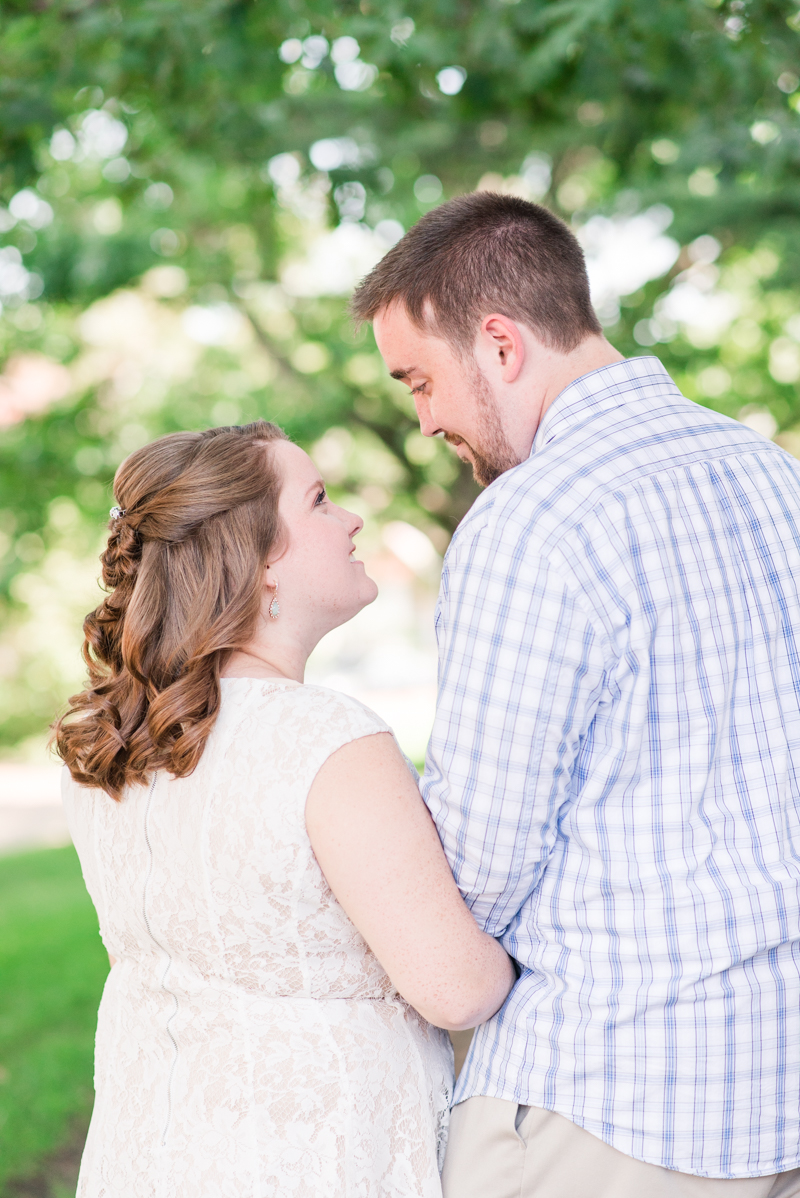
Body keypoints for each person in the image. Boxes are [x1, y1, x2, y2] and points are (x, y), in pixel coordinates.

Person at [353, 191, 800, 1197]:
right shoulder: (770, 476)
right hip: (777, 1078)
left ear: (500, 344)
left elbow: (477, 866)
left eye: (419, 380)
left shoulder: (530, 523)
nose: (422, 419)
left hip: (609, 1100)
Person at [55, 420, 514, 1198]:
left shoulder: (109, 745)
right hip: (311, 1165)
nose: (352, 520)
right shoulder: (326, 741)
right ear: (260, 560)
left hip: (144, 1159)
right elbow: (457, 988)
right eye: (321, 501)